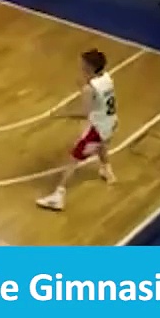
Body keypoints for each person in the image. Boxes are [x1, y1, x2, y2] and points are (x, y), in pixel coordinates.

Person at [36, 49, 117, 211]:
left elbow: (84, 113)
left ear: (89, 67)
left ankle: (58, 196)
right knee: (101, 145)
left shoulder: (89, 89)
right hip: (111, 122)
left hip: (97, 129)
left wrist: (61, 115)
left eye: (83, 64)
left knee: (73, 159)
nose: (80, 65)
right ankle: (107, 171)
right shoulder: (107, 78)